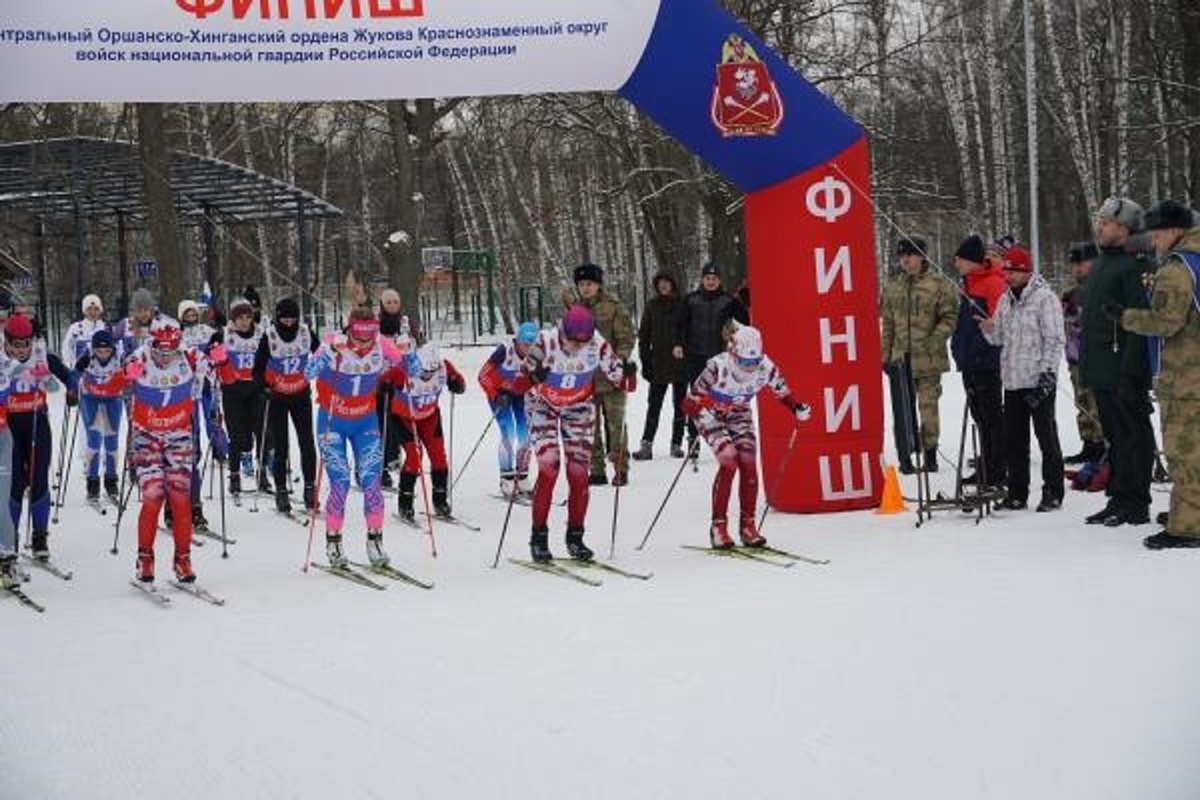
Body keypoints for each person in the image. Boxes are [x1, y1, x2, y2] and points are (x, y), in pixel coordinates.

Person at [1112, 200, 1200, 548]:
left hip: (1185, 378)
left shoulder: (1178, 268)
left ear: (1177, 231)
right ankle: (1188, 510)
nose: (1153, 241)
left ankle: (1190, 526)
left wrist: (1125, 317)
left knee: (1184, 452)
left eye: (1158, 233)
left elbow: (1166, 322)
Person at [522, 304, 635, 562]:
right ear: (564, 332)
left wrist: (629, 375)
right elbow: (522, 379)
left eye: (583, 342)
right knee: (549, 469)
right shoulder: (546, 341)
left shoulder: (597, 344)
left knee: (579, 474)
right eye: (573, 341)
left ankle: (575, 537)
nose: (577, 347)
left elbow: (620, 379)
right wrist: (534, 376)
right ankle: (538, 537)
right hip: (543, 407)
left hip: (578, 407)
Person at [681, 324, 811, 547]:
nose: (750, 367)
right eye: (744, 362)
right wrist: (708, 404)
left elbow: (781, 391)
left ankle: (748, 526)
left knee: (749, 463)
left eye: (754, 362)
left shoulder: (765, 367)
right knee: (729, 460)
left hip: (739, 413)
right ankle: (718, 527)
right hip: (710, 414)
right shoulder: (717, 366)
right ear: (733, 353)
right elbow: (688, 403)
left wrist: (796, 407)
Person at [125, 317, 220, 584]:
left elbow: (216, 368)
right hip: (147, 437)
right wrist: (128, 373)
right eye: (160, 351)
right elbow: (125, 374)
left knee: (180, 498)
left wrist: (218, 356)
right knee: (153, 496)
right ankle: (145, 558)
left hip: (179, 436)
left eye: (170, 350)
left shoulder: (188, 354)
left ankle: (182, 558)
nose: (165, 357)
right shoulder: (141, 355)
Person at [304, 307, 401, 569]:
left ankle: (375, 541)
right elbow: (307, 373)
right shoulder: (331, 343)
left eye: (369, 338)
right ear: (349, 331)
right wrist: (325, 357)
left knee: (372, 481)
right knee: (341, 482)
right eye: (358, 339)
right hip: (332, 422)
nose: (363, 345)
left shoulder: (381, 344)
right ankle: (334, 542)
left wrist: (410, 360)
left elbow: (405, 363)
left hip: (365, 422)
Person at [1079, 197, 1155, 527]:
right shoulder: (1104, 262)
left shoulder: (1135, 265)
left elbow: (1141, 324)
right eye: (1100, 222)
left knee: (1133, 435)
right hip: (1101, 367)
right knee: (1115, 436)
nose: (1100, 228)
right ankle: (1118, 495)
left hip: (1122, 367)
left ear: (1123, 229)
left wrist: (1130, 371)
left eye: (1106, 223)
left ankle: (1136, 501)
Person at [979, 246, 1066, 511]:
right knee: (1015, 440)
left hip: (1038, 380)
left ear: (1026, 271)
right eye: (1006, 269)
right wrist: (988, 329)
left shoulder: (1044, 298)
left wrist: (1048, 374)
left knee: (1046, 437)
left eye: (1014, 270)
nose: (1009, 275)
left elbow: (1054, 338)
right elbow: (999, 339)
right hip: (1013, 381)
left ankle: (1053, 491)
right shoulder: (1006, 300)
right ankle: (1017, 493)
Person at [880, 236, 959, 473]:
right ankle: (906, 456)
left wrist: (935, 340)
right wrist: (885, 356)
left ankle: (931, 454)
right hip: (899, 359)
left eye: (910, 255)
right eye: (901, 256)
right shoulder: (894, 287)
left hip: (928, 359)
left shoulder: (938, 285)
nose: (905, 260)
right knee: (902, 409)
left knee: (928, 408)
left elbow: (950, 318)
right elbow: (888, 325)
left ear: (922, 257)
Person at [4, 313, 75, 561]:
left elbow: (68, 375)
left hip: (37, 422)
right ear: (7, 341)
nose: (21, 350)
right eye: (16, 345)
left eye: (26, 344)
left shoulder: (41, 355)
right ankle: (9, 536)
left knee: (39, 477)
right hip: (8, 427)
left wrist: (73, 389)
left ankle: (40, 536)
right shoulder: (1, 359)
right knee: (12, 483)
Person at [563, 263, 636, 486]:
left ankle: (621, 467)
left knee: (616, 425)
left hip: (611, 376)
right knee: (589, 427)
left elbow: (626, 336)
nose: (586, 288)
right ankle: (596, 469)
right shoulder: (574, 309)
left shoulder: (613, 306)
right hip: (585, 378)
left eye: (590, 284)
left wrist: (622, 361)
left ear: (598, 285)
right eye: (582, 284)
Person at [382, 337, 466, 521]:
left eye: (432, 371)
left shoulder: (443, 366)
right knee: (414, 457)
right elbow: (380, 382)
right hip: (404, 417)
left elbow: (459, 381)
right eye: (424, 371)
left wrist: (457, 384)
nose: (428, 375)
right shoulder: (402, 369)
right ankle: (405, 504)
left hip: (429, 416)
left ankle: (440, 501)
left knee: (439, 457)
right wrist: (386, 387)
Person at [949, 234, 1007, 489]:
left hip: (987, 361)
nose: (956, 263)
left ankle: (997, 471)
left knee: (991, 417)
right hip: (970, 361)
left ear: (972, 260)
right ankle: (986, 465)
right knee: (980, 417)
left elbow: (999, 324)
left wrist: (980, 347)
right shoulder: (968, 282)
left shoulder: (993, 283)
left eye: (960, 259)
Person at [674, 262, 749, 454]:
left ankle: (726, 437)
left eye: (714, 279)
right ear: (702, 280)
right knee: (696, 397)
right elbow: (680, 324)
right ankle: (693, 438)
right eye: (707, 278)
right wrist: (679, 344)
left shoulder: (727, 301)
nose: (710, 282)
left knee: (722, 397)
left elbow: (746, 320)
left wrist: (743, 300)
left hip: (720, 358)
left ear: (719, 281)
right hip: (696, 355)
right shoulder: (691, 300)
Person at [253, 297, 319, 515]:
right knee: (281, 446)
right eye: (284, 318)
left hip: (300, 393)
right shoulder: (269, 335)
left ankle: (310, 488)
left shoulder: (306, 332)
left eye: (292, 318)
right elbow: (258, 367)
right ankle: (281, 490)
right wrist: (263, 387)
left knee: (307, 442)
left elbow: (321, 353)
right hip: (278, 396)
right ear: (277, 317)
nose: (289, 322)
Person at [216, 296, 270, 497]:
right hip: (233, 392)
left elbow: (271, 358)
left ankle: (262, 473)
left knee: (263, 432)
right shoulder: (223, 334)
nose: (244, 321)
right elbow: (210, 357)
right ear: (233, 319)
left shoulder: (261, 335)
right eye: (240, 318)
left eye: (248, 317)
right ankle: (235, 475)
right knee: (239, 437)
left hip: (256, 390)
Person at [478, 322, 537, 497]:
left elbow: (542, 378)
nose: (528, 348)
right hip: (500, 395)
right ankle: (506, 477)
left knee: (525, 434)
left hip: (520, 395)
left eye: (532, 345)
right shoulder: (504, 350)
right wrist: (495, 395)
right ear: (518, 341)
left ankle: (522, 476)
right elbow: (482, 375)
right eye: (525, 344)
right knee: (508, 432)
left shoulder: (538, 355)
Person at [633, 270, 687, 460]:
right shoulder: (652, 306)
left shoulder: (683, 304)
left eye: (667, 282)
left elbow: (689, 332)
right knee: (653, 405)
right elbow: (644, 336)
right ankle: (646, 444)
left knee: (680, 406)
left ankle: (676, 443)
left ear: (673, 284)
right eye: (660, 283)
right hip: (658, 364)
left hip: (681, 363)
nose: (663, 286)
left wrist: (685, 350)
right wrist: (646, 361)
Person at [1061, 242, 1106, 465]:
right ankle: (1088, 442)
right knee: (1082, 401)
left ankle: (1101, 443)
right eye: (1074, 264)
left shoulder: (1101, 287)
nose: (1077, 268)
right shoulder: (1070, 293)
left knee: (1096, 403)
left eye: (1082, 263)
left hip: (1096, 355)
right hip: (1075, 356)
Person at [74, 329, 125, 504]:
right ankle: (93, 482)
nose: (103, 354)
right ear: (94, 349)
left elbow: (131, 373)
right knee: (94, 440)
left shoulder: (120, 357)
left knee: (112, 439)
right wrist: (75, 381)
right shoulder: (87, 355)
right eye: (99, 351)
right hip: (91, 398)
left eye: (107, 351)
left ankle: (111, 481)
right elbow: (74, 373)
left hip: (113, 399)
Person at [376, 290, 406, 491]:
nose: (392, 305)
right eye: (388, 302)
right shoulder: (375, 323)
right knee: (379, 423)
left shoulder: (405, 322)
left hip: (399, 380)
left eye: (395, 301)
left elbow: (415, 345)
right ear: (382, 304)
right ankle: (379, 468)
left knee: (397, 421)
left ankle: (394, 458)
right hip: (377, 381)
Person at [61, 294, 108, 362]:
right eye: (89, 309)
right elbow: (67, 348)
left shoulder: (106, 328)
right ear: (84, 311)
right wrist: (70, 366)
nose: (93, 312)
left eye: (96, 309)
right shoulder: (75, 328)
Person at [113, 288, 159, 357]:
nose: (143, 314)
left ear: (151, 310)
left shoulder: (157, 326)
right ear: (134, 311)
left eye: (146, 310)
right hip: (130, 364)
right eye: (139, 311)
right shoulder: (125, 324)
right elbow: (113, 344)